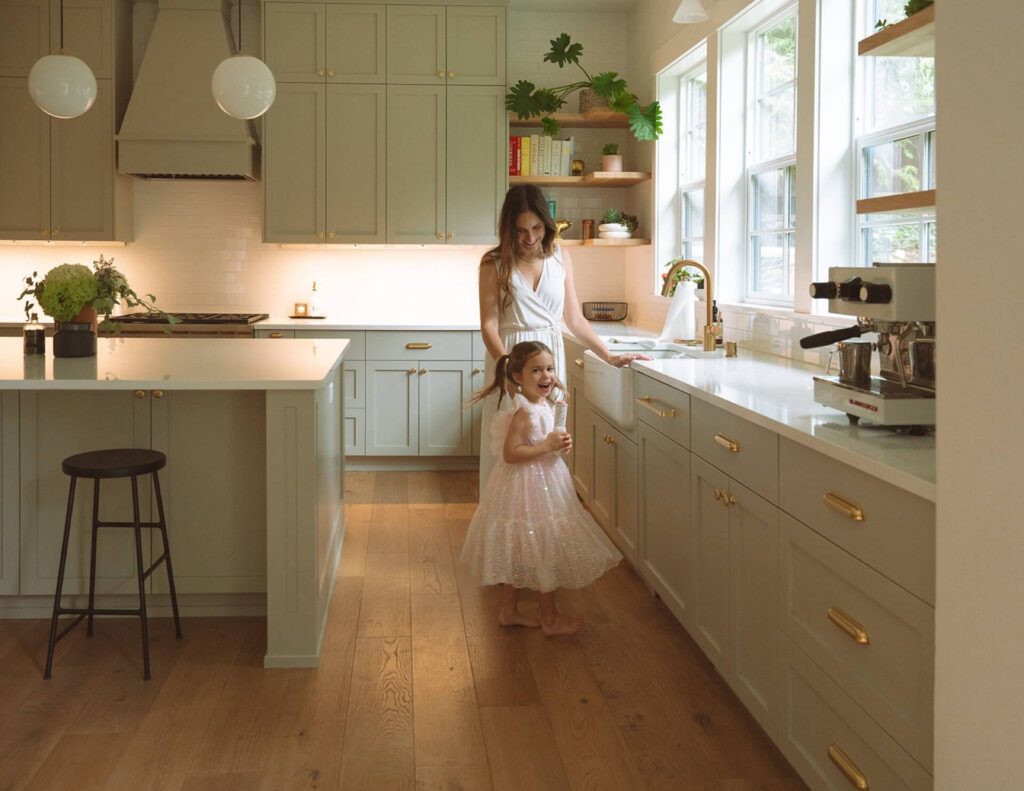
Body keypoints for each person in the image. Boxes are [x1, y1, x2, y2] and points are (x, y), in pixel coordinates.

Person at [478, 184, 649, 496]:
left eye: (537, 228)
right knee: (510, 443)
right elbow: (489, 324)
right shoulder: (493, 263)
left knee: (547, 442)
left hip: (548, 361)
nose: (530, 238)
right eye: (520, 230)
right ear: (508, 229)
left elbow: (574, 319)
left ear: (547, 223)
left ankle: (544, 528)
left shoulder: (560, 258)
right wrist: (507, 371)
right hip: (511, 361)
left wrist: (608, 355)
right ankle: (503, 528)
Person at [460, 341, 622, 635]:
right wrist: (546, 446)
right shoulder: (526, 413)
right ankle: (549, 618)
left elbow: (544, 444)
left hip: (542, 482)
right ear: (518, 377)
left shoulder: (542, 405)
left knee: (521, 548)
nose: (545, 376)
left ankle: (509, 611)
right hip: (527, 486)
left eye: (549, 368)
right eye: (536, 370)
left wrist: (556, 446)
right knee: (543, 547)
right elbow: (511, 454)